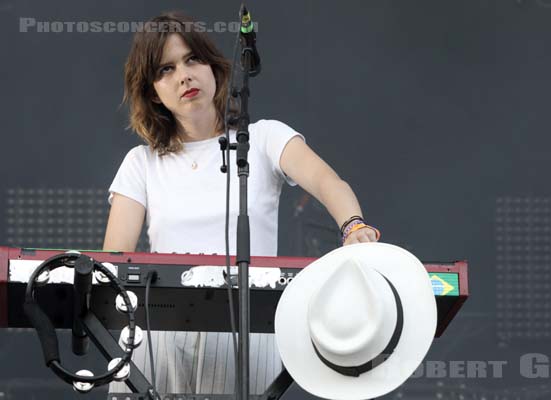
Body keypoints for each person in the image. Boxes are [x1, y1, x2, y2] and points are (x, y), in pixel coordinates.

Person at [103, 12, 380, 395]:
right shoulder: (142, 163)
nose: (184, 75)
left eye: (192, 59)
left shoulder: (264, 138)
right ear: (153, 92)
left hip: (246, 328)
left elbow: (328, 181)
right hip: (158, 332)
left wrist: (353, 226)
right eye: (166, 69)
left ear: (214, 68)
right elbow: (114, 263)